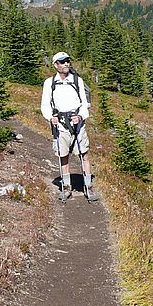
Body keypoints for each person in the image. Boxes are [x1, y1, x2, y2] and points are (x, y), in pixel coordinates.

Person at [41, 51, 99, 201]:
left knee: (84, 154)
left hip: (78, 123)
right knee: (63, 156)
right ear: (56, 65)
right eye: (62, 61)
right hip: (60, 124)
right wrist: (50, 118)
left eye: (67, 60)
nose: (66, 63)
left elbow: (84, 104)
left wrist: (80, 116)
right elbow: (45, 105)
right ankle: (66, 188)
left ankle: (89, 188)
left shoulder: (77, 80)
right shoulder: (49, 83)